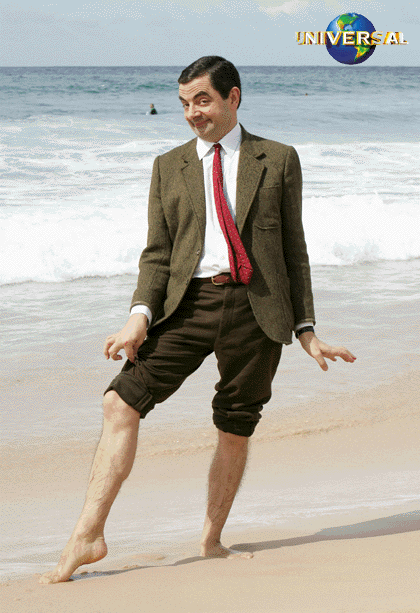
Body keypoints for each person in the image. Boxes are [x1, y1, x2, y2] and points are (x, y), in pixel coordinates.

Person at [40, 56, 356, 584]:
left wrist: (306, 328)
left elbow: (293, 248)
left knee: (235, 423)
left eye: (203, 100)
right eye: (185, 103)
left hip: (257, 309)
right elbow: (158, 253)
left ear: (234, 98)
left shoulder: (277, 158)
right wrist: (139, 315)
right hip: (187, 305)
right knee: (119, 401)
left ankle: (212, 540)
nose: (192, 112)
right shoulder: (169, 165)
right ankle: (88, 535)